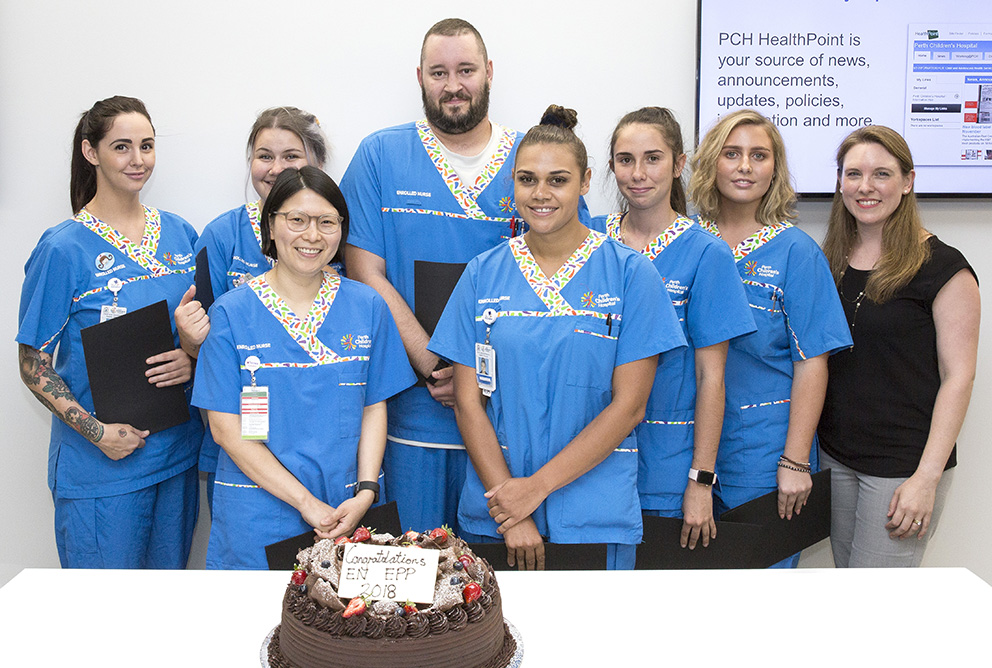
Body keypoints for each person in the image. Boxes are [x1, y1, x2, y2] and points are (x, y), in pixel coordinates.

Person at [429, 105, 686, 570]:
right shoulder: (482, 275)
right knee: (494, 642)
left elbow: (630, 406)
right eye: (527, 179)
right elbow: (469, 404)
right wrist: (512, 509)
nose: (540, 193)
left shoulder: (631, 274)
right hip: (497, 508)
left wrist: (535, 488)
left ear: (585, 182)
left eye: (558, 180)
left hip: (593, 511)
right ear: (512, 183)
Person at [341, 18, 522, 533]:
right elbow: (363, 268)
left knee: (496, 588)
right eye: (439, 73)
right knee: (417, 585)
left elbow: (556, 276)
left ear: (488, 72)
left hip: (508, 418)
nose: (454, 85)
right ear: (420, 78)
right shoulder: (380, 155)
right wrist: (433, 362)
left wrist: (475, 376)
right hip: (412, 418)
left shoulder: (533, 157)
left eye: (466, 70)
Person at [192, 167, 414, 569]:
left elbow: (373, 406)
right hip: (258, 513)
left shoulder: (368, 307)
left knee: (340, 626)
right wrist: (306, 504)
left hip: (347, 509)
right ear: (271, 226)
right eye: (297, 220)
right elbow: (225, 430)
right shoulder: (231, 313)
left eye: (327, 222)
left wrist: (365, 492)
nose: (312, 235)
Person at [16, 95, 203, 568]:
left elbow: (203, 328)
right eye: (122, 147)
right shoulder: (64, 248)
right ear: (90, 152)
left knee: (164, 609)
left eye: (147, 146)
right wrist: (96, 432)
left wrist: (191, 356)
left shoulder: (180, 234)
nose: (138, 160)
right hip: (101, 468)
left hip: (175, 456)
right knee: (103, 619)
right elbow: (32, 362)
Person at [687, 109, 851, 567]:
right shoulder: (686, 242)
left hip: (762, 452)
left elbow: (812, 362)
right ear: (709, 163)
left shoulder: (796, 251)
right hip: (685, 445)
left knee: (759, 594)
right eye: (731, 153)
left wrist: (797, 460)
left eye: (759, 155)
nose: (744, 166)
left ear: (775, 168)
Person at [590, 107, 754, 549]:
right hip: (588, 459)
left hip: (666, 463)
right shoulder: (588, 240)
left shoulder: (706, 253)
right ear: (610, 168)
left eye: (653, 158)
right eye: (625, 160)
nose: (638, 173)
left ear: (679, 164)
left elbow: (712, 376)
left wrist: (701, 480)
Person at [818, 126, 979, 567]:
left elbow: (959, 377)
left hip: (901, 468)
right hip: (836, 457)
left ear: (908, 181)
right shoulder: (829, 259)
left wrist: (926, 477)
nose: (865, 187)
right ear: (839, 181)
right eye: (853, 174)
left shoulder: (944, 267)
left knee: (879, 611)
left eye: (881, 174)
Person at [176, 107, 328, 509]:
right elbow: (203, 349)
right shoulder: (222, 236)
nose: (276, 168)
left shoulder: (332, 237)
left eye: (291, 156)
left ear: (316, 162)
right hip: (239, 436)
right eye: (264, 156)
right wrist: (190, 342)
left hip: (321, 440)